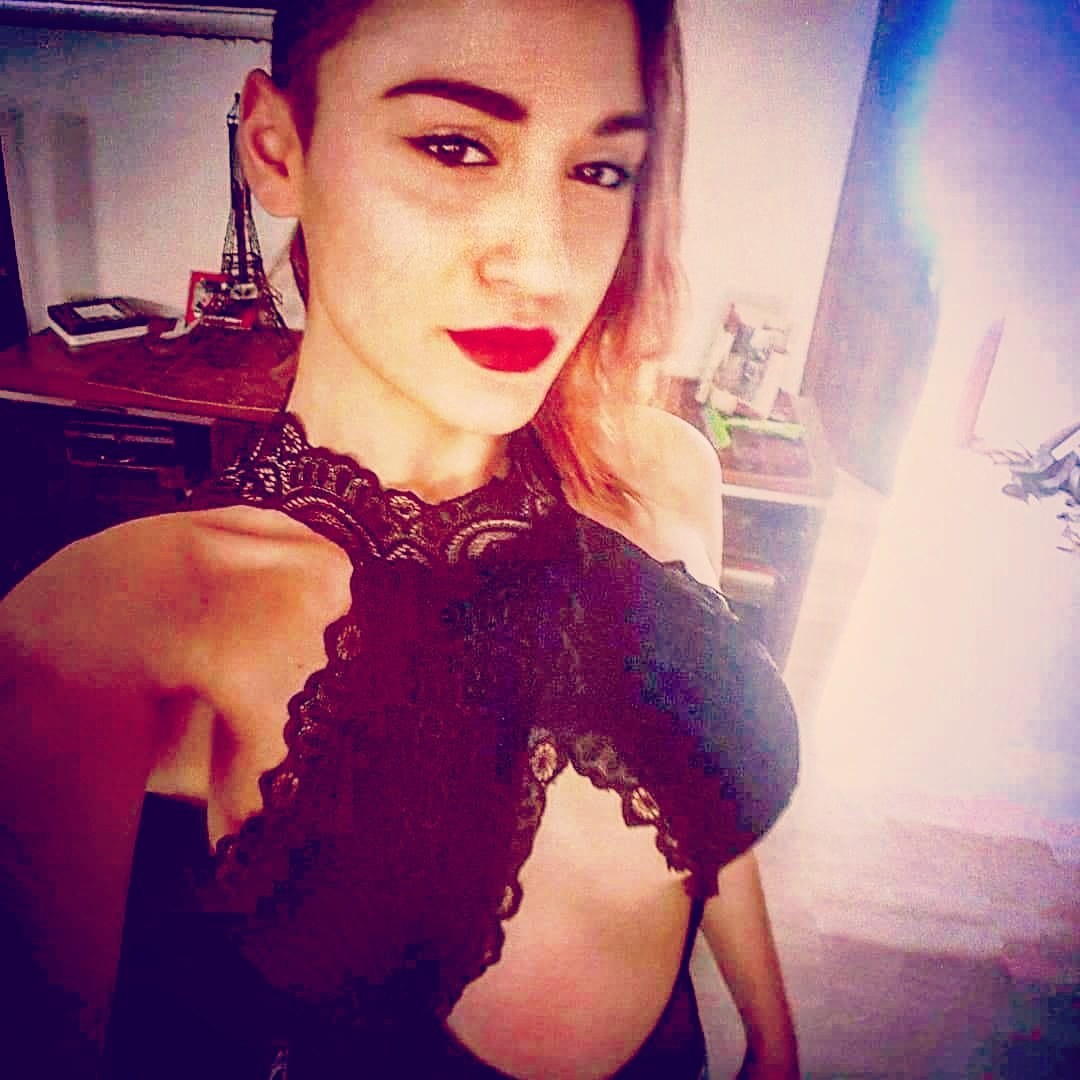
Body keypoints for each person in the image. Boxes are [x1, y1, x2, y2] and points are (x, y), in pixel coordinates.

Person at [0, 0, 800, 1076]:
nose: (546, 266)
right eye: (455, 146)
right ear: (277, 148)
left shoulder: (662, 474)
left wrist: (773, 1037)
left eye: (600, 170)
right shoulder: (113, 624)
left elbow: (699, 781)